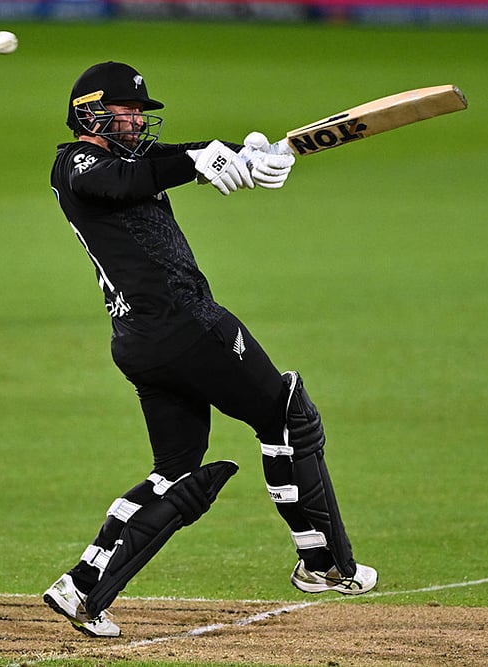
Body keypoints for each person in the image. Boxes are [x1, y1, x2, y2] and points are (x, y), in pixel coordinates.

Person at [43, 61, 377, 638]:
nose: (137, 121)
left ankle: (83, 585)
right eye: (128, 110)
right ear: (91, 112)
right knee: (287, 416)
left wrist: (237, 154)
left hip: (143, 341)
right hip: (186, 325)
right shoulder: (77, 163)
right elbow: (118, 182)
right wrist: (197, 162)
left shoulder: (128, 160)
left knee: (174, 472)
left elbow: (163, 160)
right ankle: (322, 563)